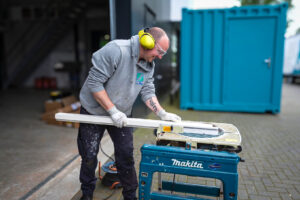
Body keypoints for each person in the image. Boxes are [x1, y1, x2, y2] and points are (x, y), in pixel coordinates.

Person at [78, 27, 181, 200]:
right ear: (147, 42)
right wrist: (112, 111)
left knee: (125, 155)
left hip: (122, 114)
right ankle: (87, 194)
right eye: (160, 51)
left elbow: (147, 91)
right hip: (93, 111)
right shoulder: (116, 50)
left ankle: (130, 196)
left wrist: (162, 113)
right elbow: (94, 84)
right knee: (89, 155)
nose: (161, 56)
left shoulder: (149, 64)